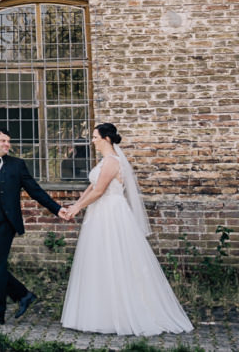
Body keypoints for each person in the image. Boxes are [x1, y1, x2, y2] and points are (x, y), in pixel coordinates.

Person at [57, 123, 193, 336]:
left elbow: (100, 190)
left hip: (111, 213)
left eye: (95, 137)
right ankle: (99, 312)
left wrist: (76, 208)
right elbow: (91, 187)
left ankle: (122, 313)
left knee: (116, 259)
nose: (93, 141)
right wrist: (74, 205)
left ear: (107, 139)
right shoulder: (103, 162)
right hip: (99, 213)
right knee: (99, 261)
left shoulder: (112, 161)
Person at [0, 125, 65, 325]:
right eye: (3, 141)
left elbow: (35, 191)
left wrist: (57, 209)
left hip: (4, 224)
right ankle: (23, 295)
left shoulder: (17, 165)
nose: (7, 144)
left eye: (8, 141)